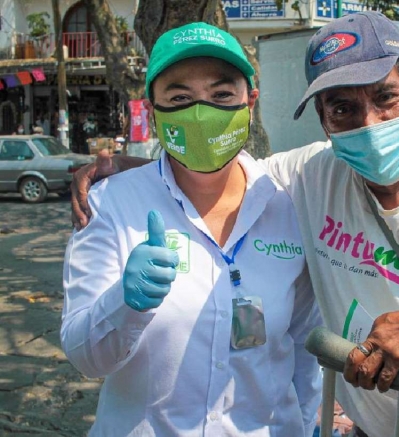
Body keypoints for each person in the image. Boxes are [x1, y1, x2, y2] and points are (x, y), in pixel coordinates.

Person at [70, 12, 399, 437]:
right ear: (322, 118)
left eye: (386, 96)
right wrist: (126, 170)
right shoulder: (314, 175)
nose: (368, 123)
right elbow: (212, 170)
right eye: (343, 107)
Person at [62, 22, 322, 436]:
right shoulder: (110, 204)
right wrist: (125, 304)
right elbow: (85, 358)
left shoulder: (289, 205)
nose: (202, 114)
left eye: (222, 95)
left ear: (250, 102)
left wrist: (311, 425)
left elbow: (304, 344)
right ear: (152, 109)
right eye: (180, 98)